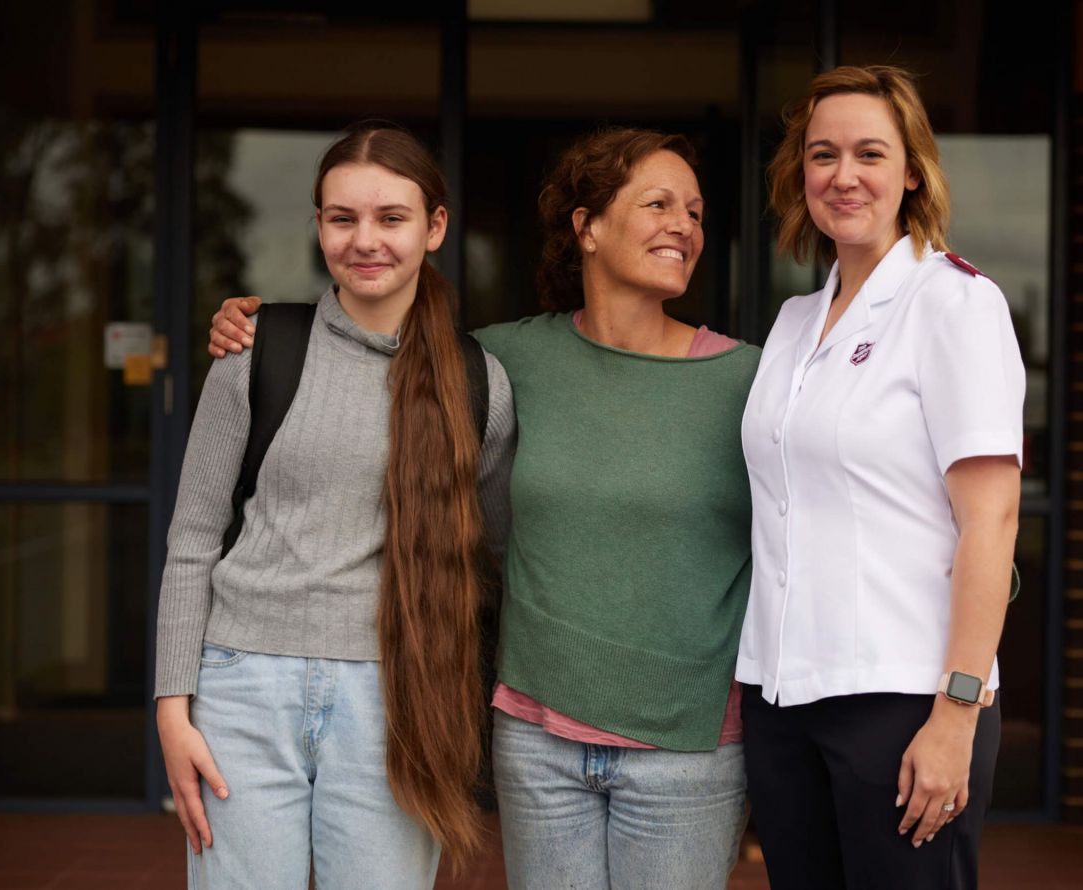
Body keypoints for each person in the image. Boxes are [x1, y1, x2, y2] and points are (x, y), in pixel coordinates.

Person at [206, 128, 757, 890]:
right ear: (586, 226)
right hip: (537, 737)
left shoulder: (751, 381)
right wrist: (255, 326)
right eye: (658, 203)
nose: (684, 226)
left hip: (687, 743)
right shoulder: (501, 362)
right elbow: (375, 344)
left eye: (694, 212)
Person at [157, 124, 515, 889]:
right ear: (318, 226)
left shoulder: (480, 383)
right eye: (342, 218)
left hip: (400, 699)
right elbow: (192, 540)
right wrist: (171, 707)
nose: (366, 240)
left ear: (435, 227)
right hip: (243, 688)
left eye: (392, 217)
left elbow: (491, 557)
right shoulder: (255, 351)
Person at [736, 64, 1024, 889]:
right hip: (784, 699)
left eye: (870, 152)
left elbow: (992, 520)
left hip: (904, 702)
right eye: (822, 155)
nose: (844, 175)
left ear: (911, 171)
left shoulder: (954, 305)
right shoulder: (794, 323)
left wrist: (956, 712)